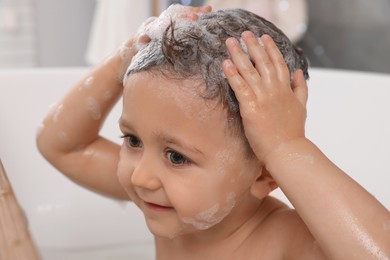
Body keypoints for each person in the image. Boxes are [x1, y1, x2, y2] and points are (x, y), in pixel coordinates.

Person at [36, 4, 390, 259]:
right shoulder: (163, 200)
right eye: (132, 140)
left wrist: (286, 146)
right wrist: (124, 58)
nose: (141, 175)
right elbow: (61, 146)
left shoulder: (284, 241)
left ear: (266, 172)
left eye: (176, 156)